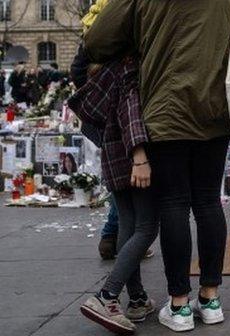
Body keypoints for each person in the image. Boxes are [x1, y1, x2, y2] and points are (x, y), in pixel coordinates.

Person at [83, 0, 230, 331]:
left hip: (162, 114)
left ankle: (178, 306)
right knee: (209, 202)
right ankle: (210, 300)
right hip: (214, 110)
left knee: (174, 205)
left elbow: (97, 42)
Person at [69, 56, 157, 335]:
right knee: (146, 228)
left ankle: (138, 299)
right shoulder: (127, 66)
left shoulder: (101, 69)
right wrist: (140, 156)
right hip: (131, 157)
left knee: (128, 226)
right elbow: (131, 111)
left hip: (113, 157)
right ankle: (107, 296)